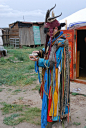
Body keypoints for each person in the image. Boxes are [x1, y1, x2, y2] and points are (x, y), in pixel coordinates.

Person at [29, 4, 70, 128]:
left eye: (49, 32)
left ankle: (56, 118)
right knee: (50, 96)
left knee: (55, 95)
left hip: (56, 78)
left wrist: (38, 61)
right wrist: (40, 52)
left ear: (55, 29)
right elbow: (48, 49)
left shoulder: (60, 42)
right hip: (50, 76)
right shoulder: (54, 40)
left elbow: (52, 63)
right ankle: (51, 116)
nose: (47, 35)